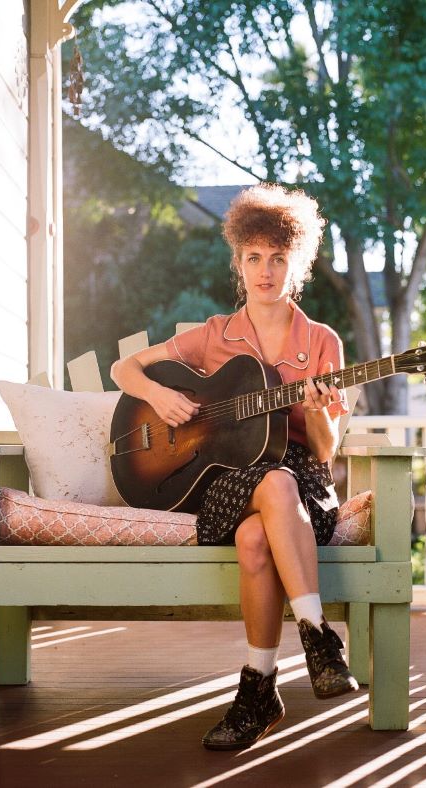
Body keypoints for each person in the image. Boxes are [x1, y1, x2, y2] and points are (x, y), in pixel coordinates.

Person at [110, 183, 358, 751]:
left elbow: (323, 452)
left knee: (254, 540)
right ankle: (318, 638)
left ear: (296, 266)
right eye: (254, 258)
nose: (265, 271)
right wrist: (159, 394)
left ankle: (258, 688)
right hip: (226, 479)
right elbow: (125, 369)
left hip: (301, 485)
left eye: (278, 259)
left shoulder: (321, 341)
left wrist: (317, 409)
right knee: (266, 484)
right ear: (239, 263)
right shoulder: (216, 335)